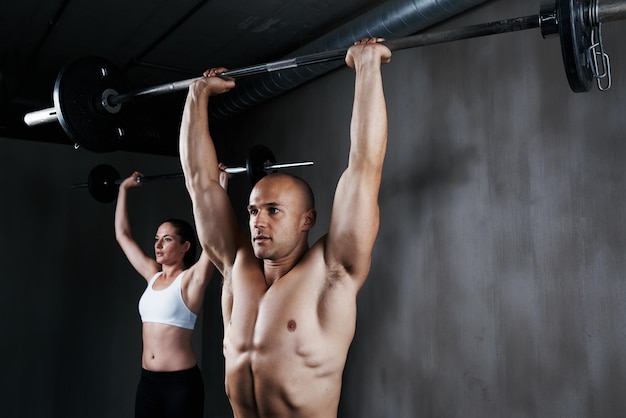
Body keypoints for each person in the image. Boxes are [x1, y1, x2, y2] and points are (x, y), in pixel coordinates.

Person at [179, 37, 391, 417]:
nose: (257, 220)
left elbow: (364, 166)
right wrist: (197, 96)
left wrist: (367, 69)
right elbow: (200, 183)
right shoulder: (236, 267)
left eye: (273, 210)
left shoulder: (333, 272)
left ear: (307, 219)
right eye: (252, 210)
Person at [114, 169, 228, 418]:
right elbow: (122, 236)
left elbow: (214, 237)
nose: (157, 245)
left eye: (166, 239)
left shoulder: (191, 280)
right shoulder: (151, 274)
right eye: (157, 239)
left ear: (185, 246)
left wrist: (220, 189)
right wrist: (123, 189)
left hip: (181, 385)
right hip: (147, 382)